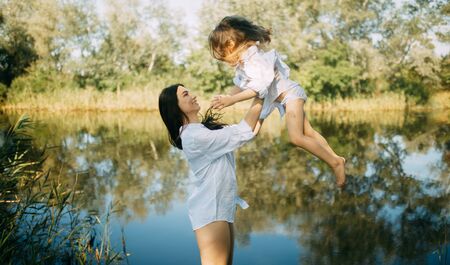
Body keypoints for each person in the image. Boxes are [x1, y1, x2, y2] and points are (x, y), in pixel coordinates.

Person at [208, 15, 346, 187]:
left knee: (297, 137)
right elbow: (240, 85)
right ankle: (336, 158)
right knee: (307, 133)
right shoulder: (244, 63)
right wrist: (226, 98)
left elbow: (258, 87)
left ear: (230, 45)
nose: (225, 61)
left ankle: (335, 162)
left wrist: (232, 100)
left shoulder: (254, 60)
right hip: (274, 99)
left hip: (289, 95)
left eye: (223, 56)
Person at [158, 84, 263, 265]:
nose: (193, 95)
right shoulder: (194, 137)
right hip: (211, 209)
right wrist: (262, 90)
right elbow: (242, 131)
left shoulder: (202, 131)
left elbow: (249, 131)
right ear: (176, 108)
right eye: (186, 94)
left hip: (222, 207)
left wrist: (262, 97)